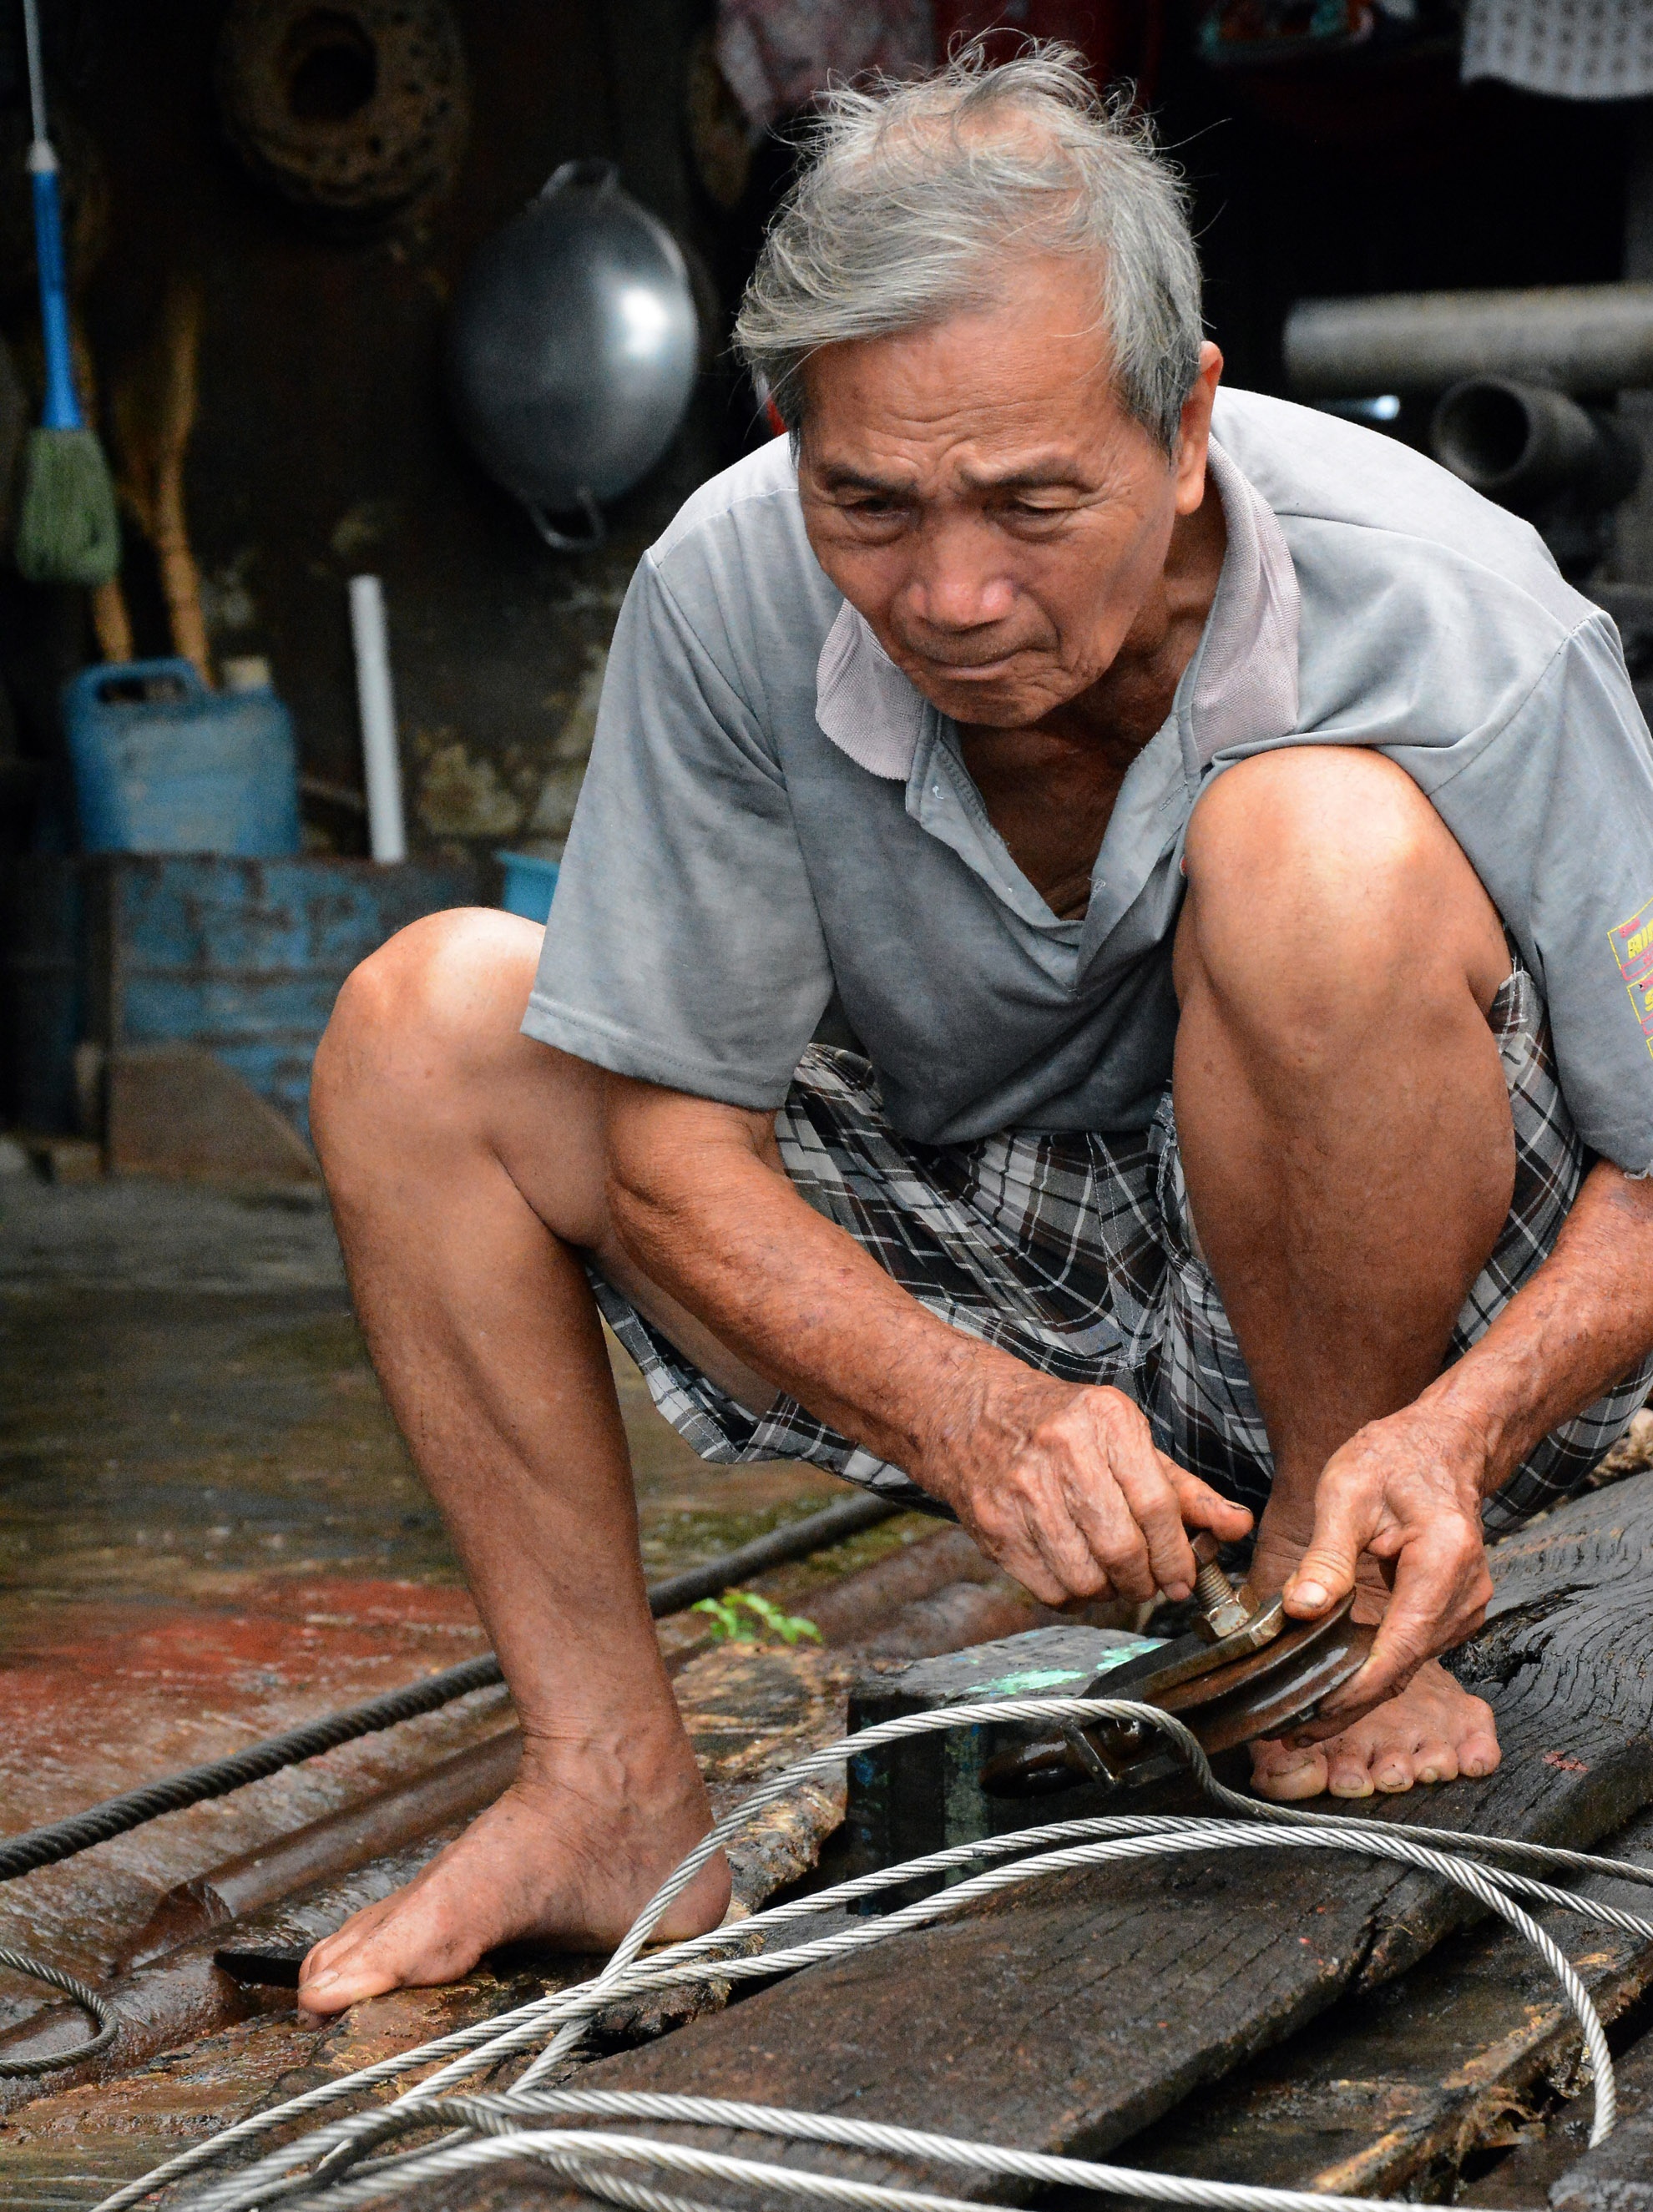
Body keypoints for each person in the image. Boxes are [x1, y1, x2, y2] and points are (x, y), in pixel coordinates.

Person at [296, 47, 1653, 2017]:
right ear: (789, 430)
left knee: (1318, 851)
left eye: (1034, 502)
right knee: (420, 1024)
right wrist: (976, 1417)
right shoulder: (727, 586)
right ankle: (602, 1787)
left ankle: (1340, 1604)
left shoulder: (1455, 609)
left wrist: (1452, 1441)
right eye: (868, 501)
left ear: (1185, 427)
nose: (949, 592)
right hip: (978, 1251)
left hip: (1400, 1299)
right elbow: (672, 1152)